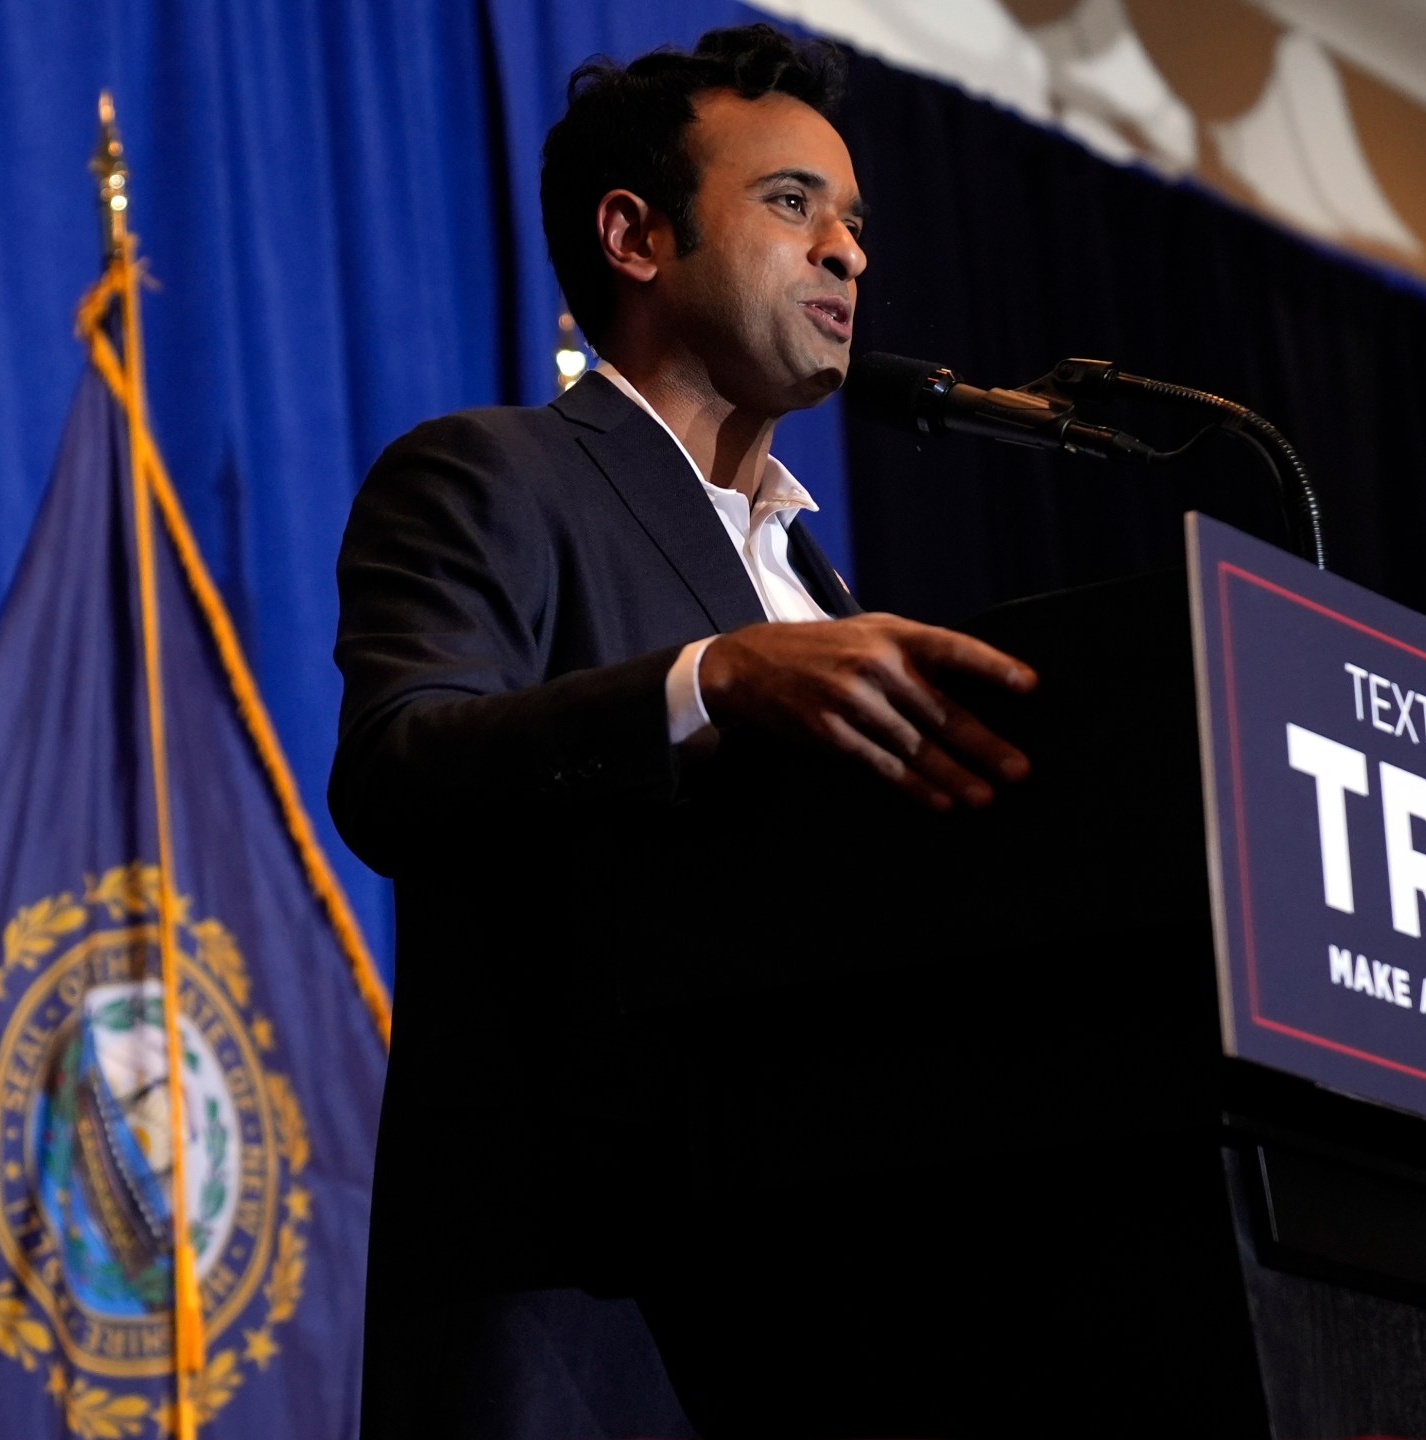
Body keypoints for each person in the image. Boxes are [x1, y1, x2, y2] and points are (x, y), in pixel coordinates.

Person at [331, 25, 1043, 1439]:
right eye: (792, 202)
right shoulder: (492, 475)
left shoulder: (820, 587)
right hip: (587, 1315)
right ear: (635, 236)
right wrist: (711, 681)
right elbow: (400, 767)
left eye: (856, 221)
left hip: (834, 1318)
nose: (848, 253)